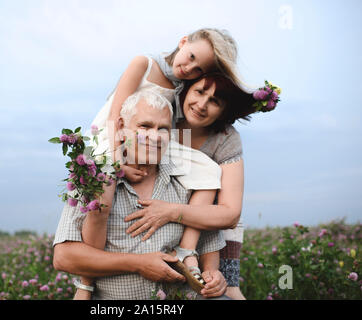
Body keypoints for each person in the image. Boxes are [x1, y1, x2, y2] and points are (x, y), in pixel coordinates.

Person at [71, 28, 240, 299]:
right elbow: (115, 113)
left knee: (209, 171)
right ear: (183, 41)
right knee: (100, 204)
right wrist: (117, 162)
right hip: (114, 136)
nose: (190, 67)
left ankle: (187, 251)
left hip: (151, 142)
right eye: (192, 56)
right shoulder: (143, 62)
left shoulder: (184, 87)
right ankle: (86, 284)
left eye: (199, 69)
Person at [53, 89, 229, 300]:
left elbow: (209, 244)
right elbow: (63, 258)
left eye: (162, 129)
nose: (154, 136)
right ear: (120, 127)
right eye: (145, 126)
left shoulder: (187, 182)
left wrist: (213, 275)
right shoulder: (94, 181)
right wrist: (139, 264)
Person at [123, 71, 271, 300]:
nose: (202, 104)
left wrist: (171, 212)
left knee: (229, 290)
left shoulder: (225, 138)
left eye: (215, 101)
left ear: (224, 109)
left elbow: (230, 214)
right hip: (155, 217)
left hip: (206, 221)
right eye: (199, 92)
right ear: (186, 90)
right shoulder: (163, 116)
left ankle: (188, 253)